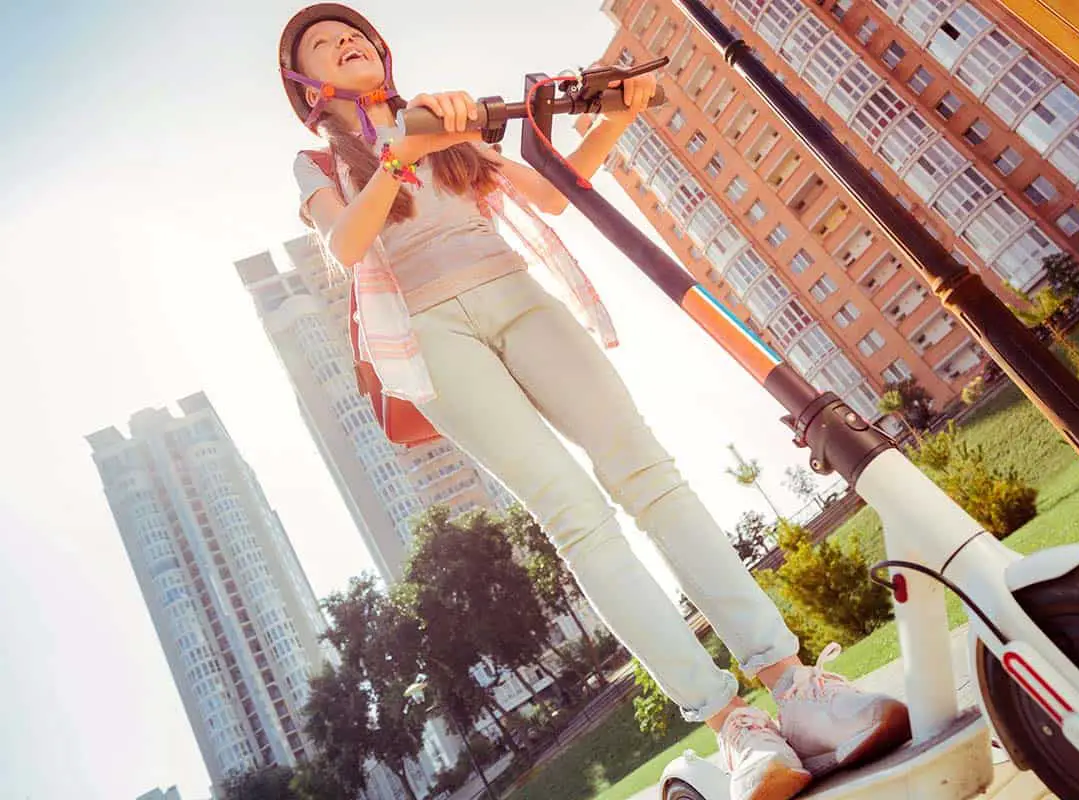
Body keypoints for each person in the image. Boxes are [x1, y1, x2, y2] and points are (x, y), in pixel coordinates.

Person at [277, 5, 910, 798]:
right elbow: (348, 243)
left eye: (357, 34)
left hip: (515, 292)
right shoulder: (316, 161)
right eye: (325, 44)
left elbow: (549, 196)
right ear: (306, 85)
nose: (349, 43)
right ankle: (729, 723)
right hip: (434, 338)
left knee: (648, 475)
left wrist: (618, 119)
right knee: (575, 515)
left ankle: (791, 685)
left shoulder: (444, 115)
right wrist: (402, 152)